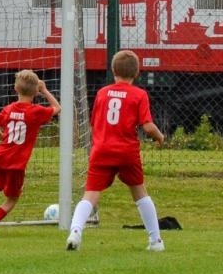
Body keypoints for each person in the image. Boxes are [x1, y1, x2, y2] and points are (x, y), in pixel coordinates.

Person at [68, 49, 166, 252]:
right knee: (140, 193)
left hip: (101, 149)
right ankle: (155, 241)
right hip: (126, 151)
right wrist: (159, 136)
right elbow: (147, 126)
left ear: (113, 71)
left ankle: (75, 232)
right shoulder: (139, 94)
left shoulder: (103, 93)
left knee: (90, 195)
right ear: (137, 73)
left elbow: (94, 124)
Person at [0, 70, 60, 237]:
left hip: (1, 155)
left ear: (15, 88)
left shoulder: (8, 109)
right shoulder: (35, 111)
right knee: (12, 199)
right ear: (36, 91)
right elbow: (57, 108)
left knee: (1, 180)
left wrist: (4, 139)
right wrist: (44, 91)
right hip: (16, 162)